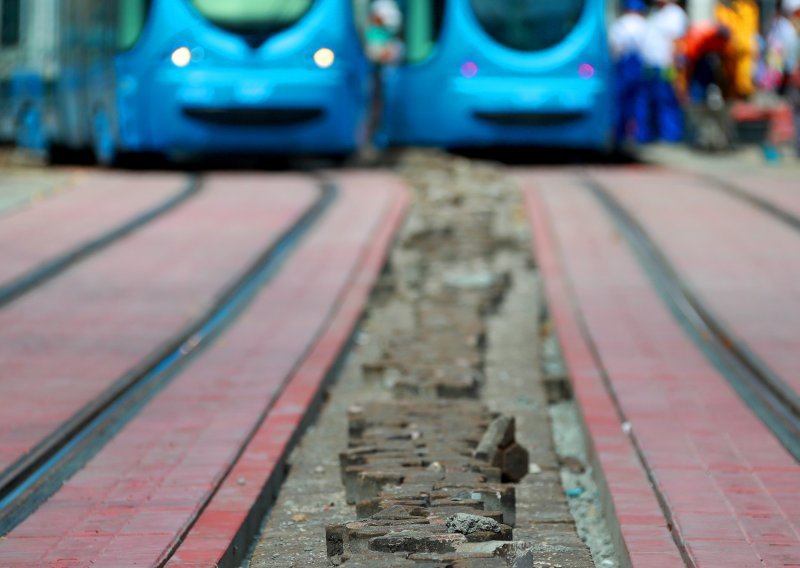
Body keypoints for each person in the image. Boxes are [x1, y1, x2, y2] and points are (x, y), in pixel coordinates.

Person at [640, 0, 689, 142]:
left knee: (667, 100)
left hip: (666, 66)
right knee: (652, 101)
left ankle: (670, 136)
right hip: (651, 65)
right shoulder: (656, 13)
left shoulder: (675, 14)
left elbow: (677, 42)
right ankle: (654, 134)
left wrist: (676, 69)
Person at [610, 0, 649, 143]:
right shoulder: (645, 24)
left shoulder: (620, 24)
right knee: (640, 101)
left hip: (624, 65)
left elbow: (615, 49)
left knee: (620, 102)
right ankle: (641, 135)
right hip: (641, 65)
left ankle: (619, 134)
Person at [714, 0, 760, 98]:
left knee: (742, 88)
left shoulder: (749, 8)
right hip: (730, 55)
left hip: (744, 54)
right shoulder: (724, 9)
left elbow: (750, 33)